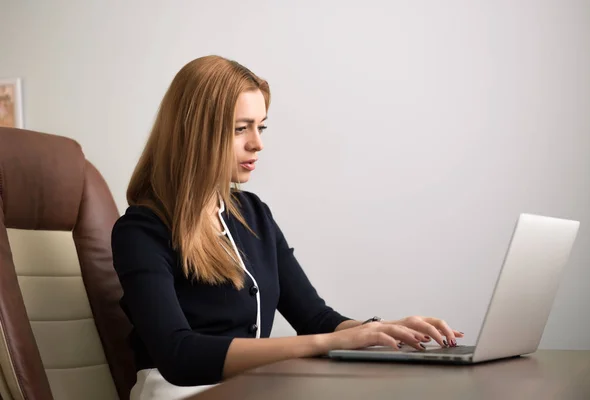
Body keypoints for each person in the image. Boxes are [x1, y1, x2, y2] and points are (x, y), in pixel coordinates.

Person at [111, 55, 464, 400]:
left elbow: (316, 318)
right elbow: (178, 355)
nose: (257, 143)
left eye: (260, 127)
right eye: (240, 129)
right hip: (180, 392)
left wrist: (380, 331)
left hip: (251, 388)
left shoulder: (253, 215)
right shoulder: (141, 231)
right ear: (193, 133)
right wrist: (329, 344)